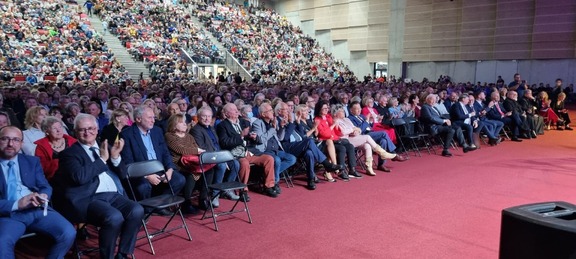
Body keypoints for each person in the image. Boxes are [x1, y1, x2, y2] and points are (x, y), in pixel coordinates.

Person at [53, 114, 144, 259]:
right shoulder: (69, 154)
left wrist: (114, 157)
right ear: (75, 132)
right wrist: (102, 159)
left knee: (136, 209)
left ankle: (122, 253)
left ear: (96, 130)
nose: (87, 132)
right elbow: (79, 178)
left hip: (113, 195)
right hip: (88, 198)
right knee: (114, 217)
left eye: (90, 128)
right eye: (82, 129)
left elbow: (123, 174)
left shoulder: (106, 146)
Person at [0, 126, 76, 259]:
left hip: (37, 209)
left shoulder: (31, 161)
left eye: (16, 140)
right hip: (9, 214)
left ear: (21, 143)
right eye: (5, 139)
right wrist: (18, 204)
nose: (11, 144)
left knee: (68, 232)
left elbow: (44, 186)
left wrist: (43, 196)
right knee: (2, 243)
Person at [120, 106, 186, 214]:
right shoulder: (127, 134)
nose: (153, 120)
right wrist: (146, 176)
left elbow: (165, 153)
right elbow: (128, 162)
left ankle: (159, 205)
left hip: (159, 169)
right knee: (143, 187)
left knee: (179, 180)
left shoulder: (157, 131)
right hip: (140, 173)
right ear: (138, 119)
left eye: (154, 117)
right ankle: (147, 210)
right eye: (149, 118)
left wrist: (170, 170)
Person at [216, 103, 276, 199]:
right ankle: (243, 190)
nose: (236, 111)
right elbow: (224, 143)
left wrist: (254, 137)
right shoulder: (222, 126)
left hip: (250, 151)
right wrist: (241, 136)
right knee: (244, 163)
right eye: (233, 110)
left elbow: (253, 138)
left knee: (269, 158)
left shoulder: (243, 122)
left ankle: (269, 186)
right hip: (236, 153)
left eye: (236, 109)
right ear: (226, 114)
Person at [280, 104, 342, 190]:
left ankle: (310, 180)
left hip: (299, 145)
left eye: (289, 110)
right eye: (286, 110)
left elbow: (302, 136)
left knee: (309, 153)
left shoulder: (295, 122)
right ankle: (326, 164)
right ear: (279, 112)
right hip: (288, 147)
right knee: (309, 141)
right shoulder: (280, 122)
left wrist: (297, 123)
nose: (289, 111)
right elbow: (284, 138)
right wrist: (291, 123)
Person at [332, 104, 405, 176]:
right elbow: (343, 132)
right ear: (336, 113)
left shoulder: (347, 119)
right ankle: (385, 153)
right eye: (341, 111)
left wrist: (363, 125)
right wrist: (354, 129)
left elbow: (358, 129)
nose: (344, 112)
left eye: (343, 111)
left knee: (371, 145)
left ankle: (369, 167)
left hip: (357, 136)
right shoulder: (338, 120)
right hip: (346, 140)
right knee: (377, 135)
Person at [165, 113, 213, 213]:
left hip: (192, 162)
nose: (185, 124)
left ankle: (203, 198)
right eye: (181, 122)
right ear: (174, 124)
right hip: (179, 163)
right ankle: (186, 203)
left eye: (185, 122)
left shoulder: (189, 136)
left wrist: (196, 150)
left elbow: (195, 148)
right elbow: (180, 150)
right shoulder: (169, 136)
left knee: (209, 170)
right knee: (193, 173)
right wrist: (196, 150)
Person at [251, 103, 296, 194]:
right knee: (277, 160)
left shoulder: (273, 121)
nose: (272, 112)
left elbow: (280, 138)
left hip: (276, 150)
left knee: (292, 158)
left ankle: (269, 177)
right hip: (264, 151)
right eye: (270, 110)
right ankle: (274, 182)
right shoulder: (257, 123)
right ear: (263, 114)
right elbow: (261, 140)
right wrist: (272, 128)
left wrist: (282, 127)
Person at [349, 101, 399, 172]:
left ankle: (381, 165)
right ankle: (393, 153)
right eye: (357, 109)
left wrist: (371, 121)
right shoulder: (350, 118)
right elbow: (359, 130)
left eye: (360, 108)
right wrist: (366, 121)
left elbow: (369, 126)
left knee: (383, 141)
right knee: (384, 133)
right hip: (363, 136)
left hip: (370, 133)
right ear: (351, 110)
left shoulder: (361, 116)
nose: (359, 110)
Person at [314, 100, 353, 181]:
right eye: (324, 108)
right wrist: (333, 125)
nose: (326, 109)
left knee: (348, 146)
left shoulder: (329, 117)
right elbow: (324, 134)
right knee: (338, 146)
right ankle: (337, 168)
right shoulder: (317, 119)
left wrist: (336, 125)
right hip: (323, 142)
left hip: (334, 139)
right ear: (319, 109)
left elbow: (337, 132)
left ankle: (350, 169)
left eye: (327, 108)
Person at [34, 116, 77, 181]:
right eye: (54, 128)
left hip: (75, 175)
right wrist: (60, 162)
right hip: (54, 179)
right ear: (47, 131)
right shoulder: (41, 146)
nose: (58, 130)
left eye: (60, 127)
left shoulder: (73, 142)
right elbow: (42, 168)